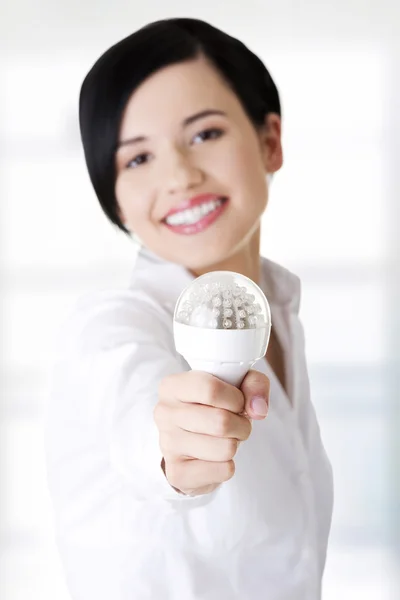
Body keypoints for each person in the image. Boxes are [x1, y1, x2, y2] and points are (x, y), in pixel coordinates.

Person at [45, 17, 334, 600]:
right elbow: (142, 426)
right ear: (117, 203)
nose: (179, 176)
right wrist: (173, 450)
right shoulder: (111, 331)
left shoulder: (278, 314)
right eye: (136, 160)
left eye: (203, 135)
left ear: (269, 142)